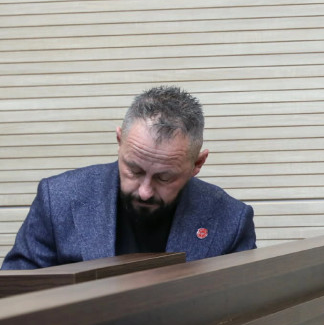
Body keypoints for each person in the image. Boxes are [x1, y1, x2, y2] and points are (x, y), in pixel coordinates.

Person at [2, 85, 256, 269]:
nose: (144, 191)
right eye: (134, 171)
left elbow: (242, 311)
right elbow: (16, 295)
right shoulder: (59, 198)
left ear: (197, 164)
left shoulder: (230, 220)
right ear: (119, 141)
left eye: (164, 178)